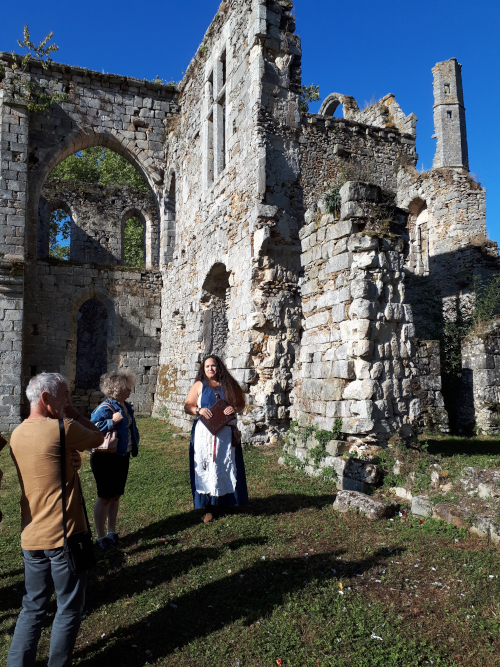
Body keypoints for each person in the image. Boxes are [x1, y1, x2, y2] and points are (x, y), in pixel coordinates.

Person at [7, 372, 104, 667]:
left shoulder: (16, 434)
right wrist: (73, 414)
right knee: (69, 607)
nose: (67, 403)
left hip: (31, 536)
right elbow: (99, 436)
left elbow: (44, 470)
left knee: (32, 608)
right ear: (46, 399)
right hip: (64, 536)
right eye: (64, 396)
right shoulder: (62, 428)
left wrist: (72, 462)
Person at [184, 355, 248, 523]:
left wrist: (233, 409)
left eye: (213, 366)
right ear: (203, 369)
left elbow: (241, 404)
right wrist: (199, 410)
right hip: (204, 435)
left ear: (219, 367)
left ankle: (226, 501)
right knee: (207, 467)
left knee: (224, 464)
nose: (210, 369)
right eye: (207, 366)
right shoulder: (199, 385)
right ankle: (209, 508)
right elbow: (187, 406)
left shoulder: (229, 385)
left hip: (225, 434)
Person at [90, 370, 139, 551]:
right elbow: (92, 429)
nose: (130, 391)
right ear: (117, 389)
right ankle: (100, 536)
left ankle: (111, 533)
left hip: (121, 457)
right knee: (104, 497)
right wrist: (111, 421)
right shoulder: (104, 409)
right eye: (127, 388)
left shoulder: (126, 406)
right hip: (104, 459)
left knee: (116, 496)